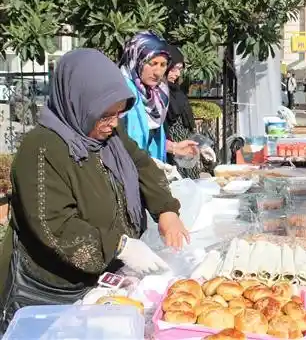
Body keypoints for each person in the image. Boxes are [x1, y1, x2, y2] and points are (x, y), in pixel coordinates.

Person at [0, 49, 189, 331]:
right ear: (78, 104)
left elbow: (140, 164)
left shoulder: (109, 131)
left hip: (99, 282)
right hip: (49, 290)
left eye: (118, 113)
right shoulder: (41, 148)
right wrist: (118, 245)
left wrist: (166, 210)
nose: (113, 123)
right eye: (105, 115)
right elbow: (55, 225)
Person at [118, 31, 198, 162]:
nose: (158, 72)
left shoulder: (157, 95)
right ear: (137, 60)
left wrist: (174, 147)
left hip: (148, 172)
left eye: (163, 65)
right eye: (152, 63)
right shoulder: (122, 91)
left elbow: (150, 136)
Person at [164, 45, 217, 179]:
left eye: (180, 69)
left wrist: (202, 145)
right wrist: (173, 148)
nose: (177, 74)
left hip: (187, 154)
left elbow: (186, 126)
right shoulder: (156, 97)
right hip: (169, 156)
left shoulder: (178, 93)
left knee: (191, 188)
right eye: (173, 69)